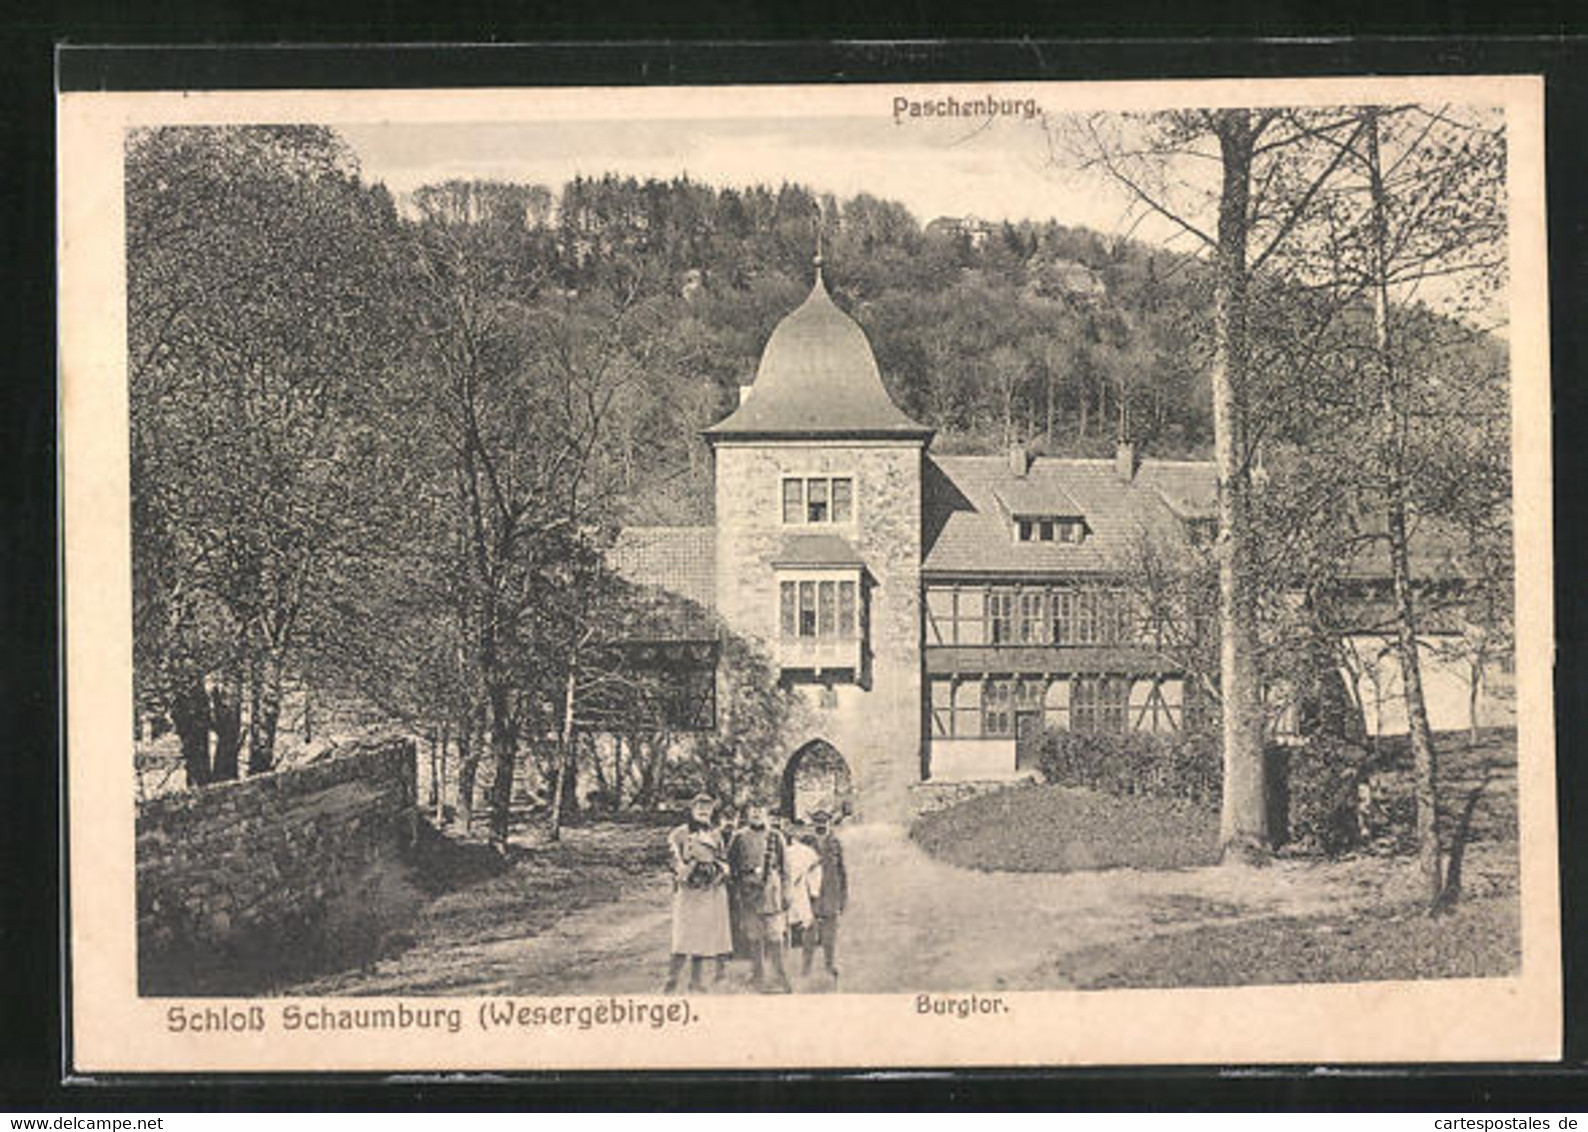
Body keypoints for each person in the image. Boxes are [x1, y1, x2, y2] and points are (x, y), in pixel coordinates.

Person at [663, 793, 732, 993]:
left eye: (707, 808)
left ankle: (696, 981)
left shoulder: (715, 835)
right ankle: (672, 980)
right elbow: (672, 859)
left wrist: (718, 871)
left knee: (702, 935)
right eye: (699, 807)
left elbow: (723, 859)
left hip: (710, 889)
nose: (703, 811)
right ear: (692, 810)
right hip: (688, 891)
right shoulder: (679, 834)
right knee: (683, 937)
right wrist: (688, 870)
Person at [727, 801, 793, 993]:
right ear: (748, 814)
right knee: (754, 935)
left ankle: (780, 976)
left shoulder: (776, 836)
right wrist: (738, 889)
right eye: (753, 811)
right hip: (748, 893)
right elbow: (731, 866)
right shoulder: (738, 837)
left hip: (771, 892)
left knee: (775, 935)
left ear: (766, 814)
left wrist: (787, 892)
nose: (756, 814)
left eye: (760, 811)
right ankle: (758, 974)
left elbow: (785, 868)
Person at [802, 808, 848, 980]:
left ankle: (829, 966)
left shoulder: (835, 843)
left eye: (824, 822)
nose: (821, 825)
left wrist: (843, 898)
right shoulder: (806, 843)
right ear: (813, 823)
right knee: (809, 933)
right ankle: (806, 968)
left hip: (830, 893)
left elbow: (842, 872)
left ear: (828, 823)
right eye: (818, 822)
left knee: (829, 934)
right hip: (810, 895)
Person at [784, 821, 822, 952]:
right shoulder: (785, 850)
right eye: (794, 832)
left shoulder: (807, 851)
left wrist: (814, 889)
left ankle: (805, 936)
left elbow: (814, 868)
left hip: (801, 885)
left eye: (799, 831)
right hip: (789, 884)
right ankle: (793, 937)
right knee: (790, 911)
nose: (797, 834)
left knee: (803, 910)